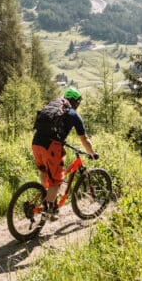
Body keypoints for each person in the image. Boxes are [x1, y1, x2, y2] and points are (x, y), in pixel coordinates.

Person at [31, 87, 97, 220]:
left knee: (44, 172)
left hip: (36, 142)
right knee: (56, 181)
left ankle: (48, 198)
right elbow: (84, 139)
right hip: (51, 147)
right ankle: (49, 210)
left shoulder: (54, 106)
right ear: (76, 102)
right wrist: (93, 153)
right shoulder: (73, 114)